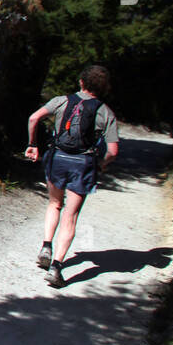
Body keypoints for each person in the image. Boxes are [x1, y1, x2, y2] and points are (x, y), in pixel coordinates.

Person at [24, 64, 120, 288]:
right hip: (83, 163)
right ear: (104, 88)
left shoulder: (61, 101)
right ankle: (56, 266)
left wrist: (32, 145)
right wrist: (102, 165)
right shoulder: (106, 112)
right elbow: (113, 151)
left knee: (54, 204)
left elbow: (33, 118)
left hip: (57, 158)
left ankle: (46, 246)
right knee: (71, 215)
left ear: (81, 82)